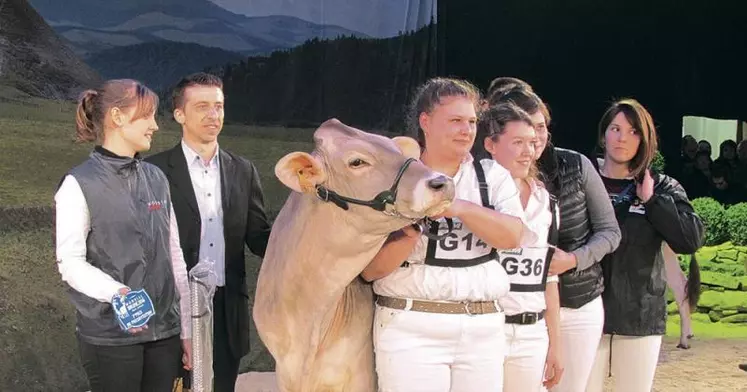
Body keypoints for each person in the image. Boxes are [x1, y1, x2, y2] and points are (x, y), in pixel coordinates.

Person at [360, 77, 533, 392]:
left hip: (482, 327)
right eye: (455, 121)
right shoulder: (393, 182)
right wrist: (413, 226)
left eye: (471, 122)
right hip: (411, 324)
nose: (467, 130)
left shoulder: (492, 176)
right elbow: (371, 271)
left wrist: (460, 207)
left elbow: (512, 236)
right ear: (425, 121)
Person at [54, 79, 191, 391]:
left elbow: (175, 257)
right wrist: (119, 294)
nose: (155, 126)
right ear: (116, 117)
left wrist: (185, 329)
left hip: (163, 336)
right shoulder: (77, 184)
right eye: (146, 116)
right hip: (111, 338)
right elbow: (70, 263)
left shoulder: (157, 178)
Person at [486, 78, 621, 392]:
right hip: (507, 312)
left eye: (541, 126)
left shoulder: (576, 166)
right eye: (525, 130)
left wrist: (573, 260)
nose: (535, 138)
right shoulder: (482, 180)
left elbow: (610, 232)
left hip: (575, 302)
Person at [146, 72, 272, 391]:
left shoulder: (243, 171)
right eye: (202, 106)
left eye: (218, 106)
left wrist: (304, 234)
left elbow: (260, 238)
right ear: (179, 114)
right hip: (171, 309)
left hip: (226, 310)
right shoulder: (153, 171)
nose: (213, 115)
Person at [586, 98, 704, 392]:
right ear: (604, 135)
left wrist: (652, 202)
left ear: (645, 139)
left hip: (639, 317)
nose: (622, 137)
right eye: (615, 128)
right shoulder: (581, 179)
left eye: (633, 131)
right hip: (584, 314)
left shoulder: (662, 186)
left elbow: (690, 239)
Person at [477, 102, 564, 391]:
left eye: (531, 142)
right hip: (487, 328)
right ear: (491, 144)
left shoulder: (546, 201)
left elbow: (548, 277)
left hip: (532, 333)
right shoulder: (476, 194)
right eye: (517, 142)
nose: (528, 151)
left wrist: (555, 343)